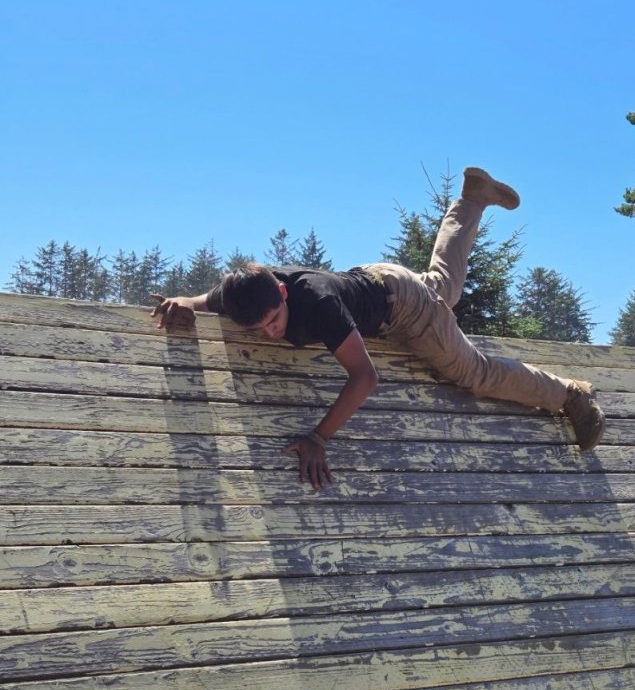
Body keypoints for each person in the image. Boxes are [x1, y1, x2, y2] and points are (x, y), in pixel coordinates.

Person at [152, 168, 605, 489]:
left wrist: (318, 437)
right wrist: (182, 303)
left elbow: (365, 377)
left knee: (473, 372)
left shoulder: (318, 304)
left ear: (284, 294)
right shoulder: (245, 293)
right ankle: (472, 197)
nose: (271, 333)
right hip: (379, 277)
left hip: (402, 307)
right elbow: (206, 300)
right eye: (260, 328)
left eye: (275, 322)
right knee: (443, 286)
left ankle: (570, 395)